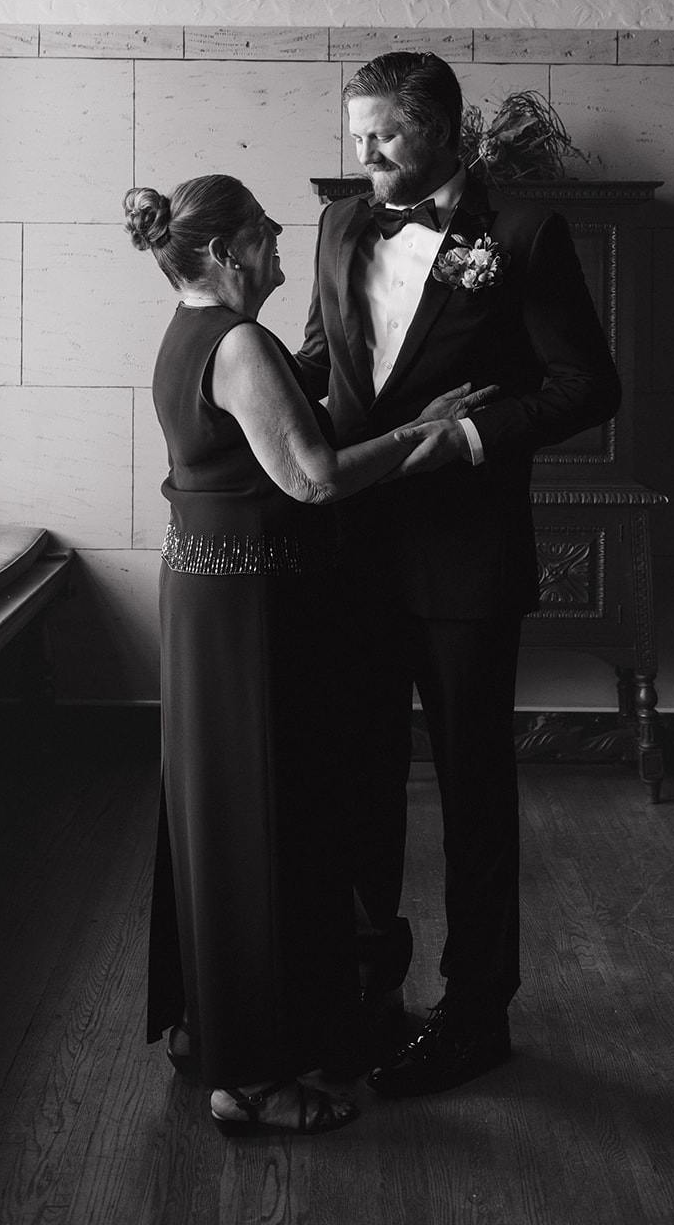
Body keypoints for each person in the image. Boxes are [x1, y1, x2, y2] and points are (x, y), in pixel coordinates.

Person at [125, 173, 495, 1137]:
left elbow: (294, 440)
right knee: (261, 822)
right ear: (224, 253)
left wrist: (404, 420)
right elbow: (317, 479)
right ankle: (252, 1082)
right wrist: (424, 435)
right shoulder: (240, 343)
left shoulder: (194, 332)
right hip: (245, 613)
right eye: (261, 231)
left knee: (239, 818)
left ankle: (226, 1030)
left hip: (222, 603)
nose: (281, 238)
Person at [296, 52, 622, 1098]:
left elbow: (587, 385)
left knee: (474, 787)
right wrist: (230, 383)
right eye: (356, 139)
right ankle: (364, 983)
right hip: (351, 555)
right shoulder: (340, 227)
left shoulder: (524, 235)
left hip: (465, 563)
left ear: (438, 128)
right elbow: (321, 366)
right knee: (353, 776)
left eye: (383, 137)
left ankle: (477, 1010)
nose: (365, 157)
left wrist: (470, 439)